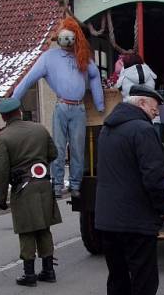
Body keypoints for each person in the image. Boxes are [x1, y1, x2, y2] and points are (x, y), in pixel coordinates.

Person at [95, 84, 164, 295]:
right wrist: (159, 211)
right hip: (136, 220)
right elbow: (154, 177)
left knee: (117, 281)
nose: (155, 112)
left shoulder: (107, 129)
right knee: (144, 283)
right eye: (153, 106)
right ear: (141, 103)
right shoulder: (142, 131)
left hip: (107, 220)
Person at [11, 17, 104, 198]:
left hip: (78, 108)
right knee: (59, 148)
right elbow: (29, 78)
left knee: (77, 148)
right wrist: (14, 99)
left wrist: (99, 102)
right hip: (62, 106)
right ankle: (57, 185)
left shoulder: (82, 56)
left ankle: (75, 185)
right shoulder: (49, 58)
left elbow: (94, 76)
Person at [0, 98, 61, 286]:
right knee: (44, 228)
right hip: (43, 185)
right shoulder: (39, 129)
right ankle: (48, 270)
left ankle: (29, 274)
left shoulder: (3, 137)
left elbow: (0, 170)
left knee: (27, 230)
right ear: (20, 112)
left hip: (23, 188)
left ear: (4, 116)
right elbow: (53, 153)